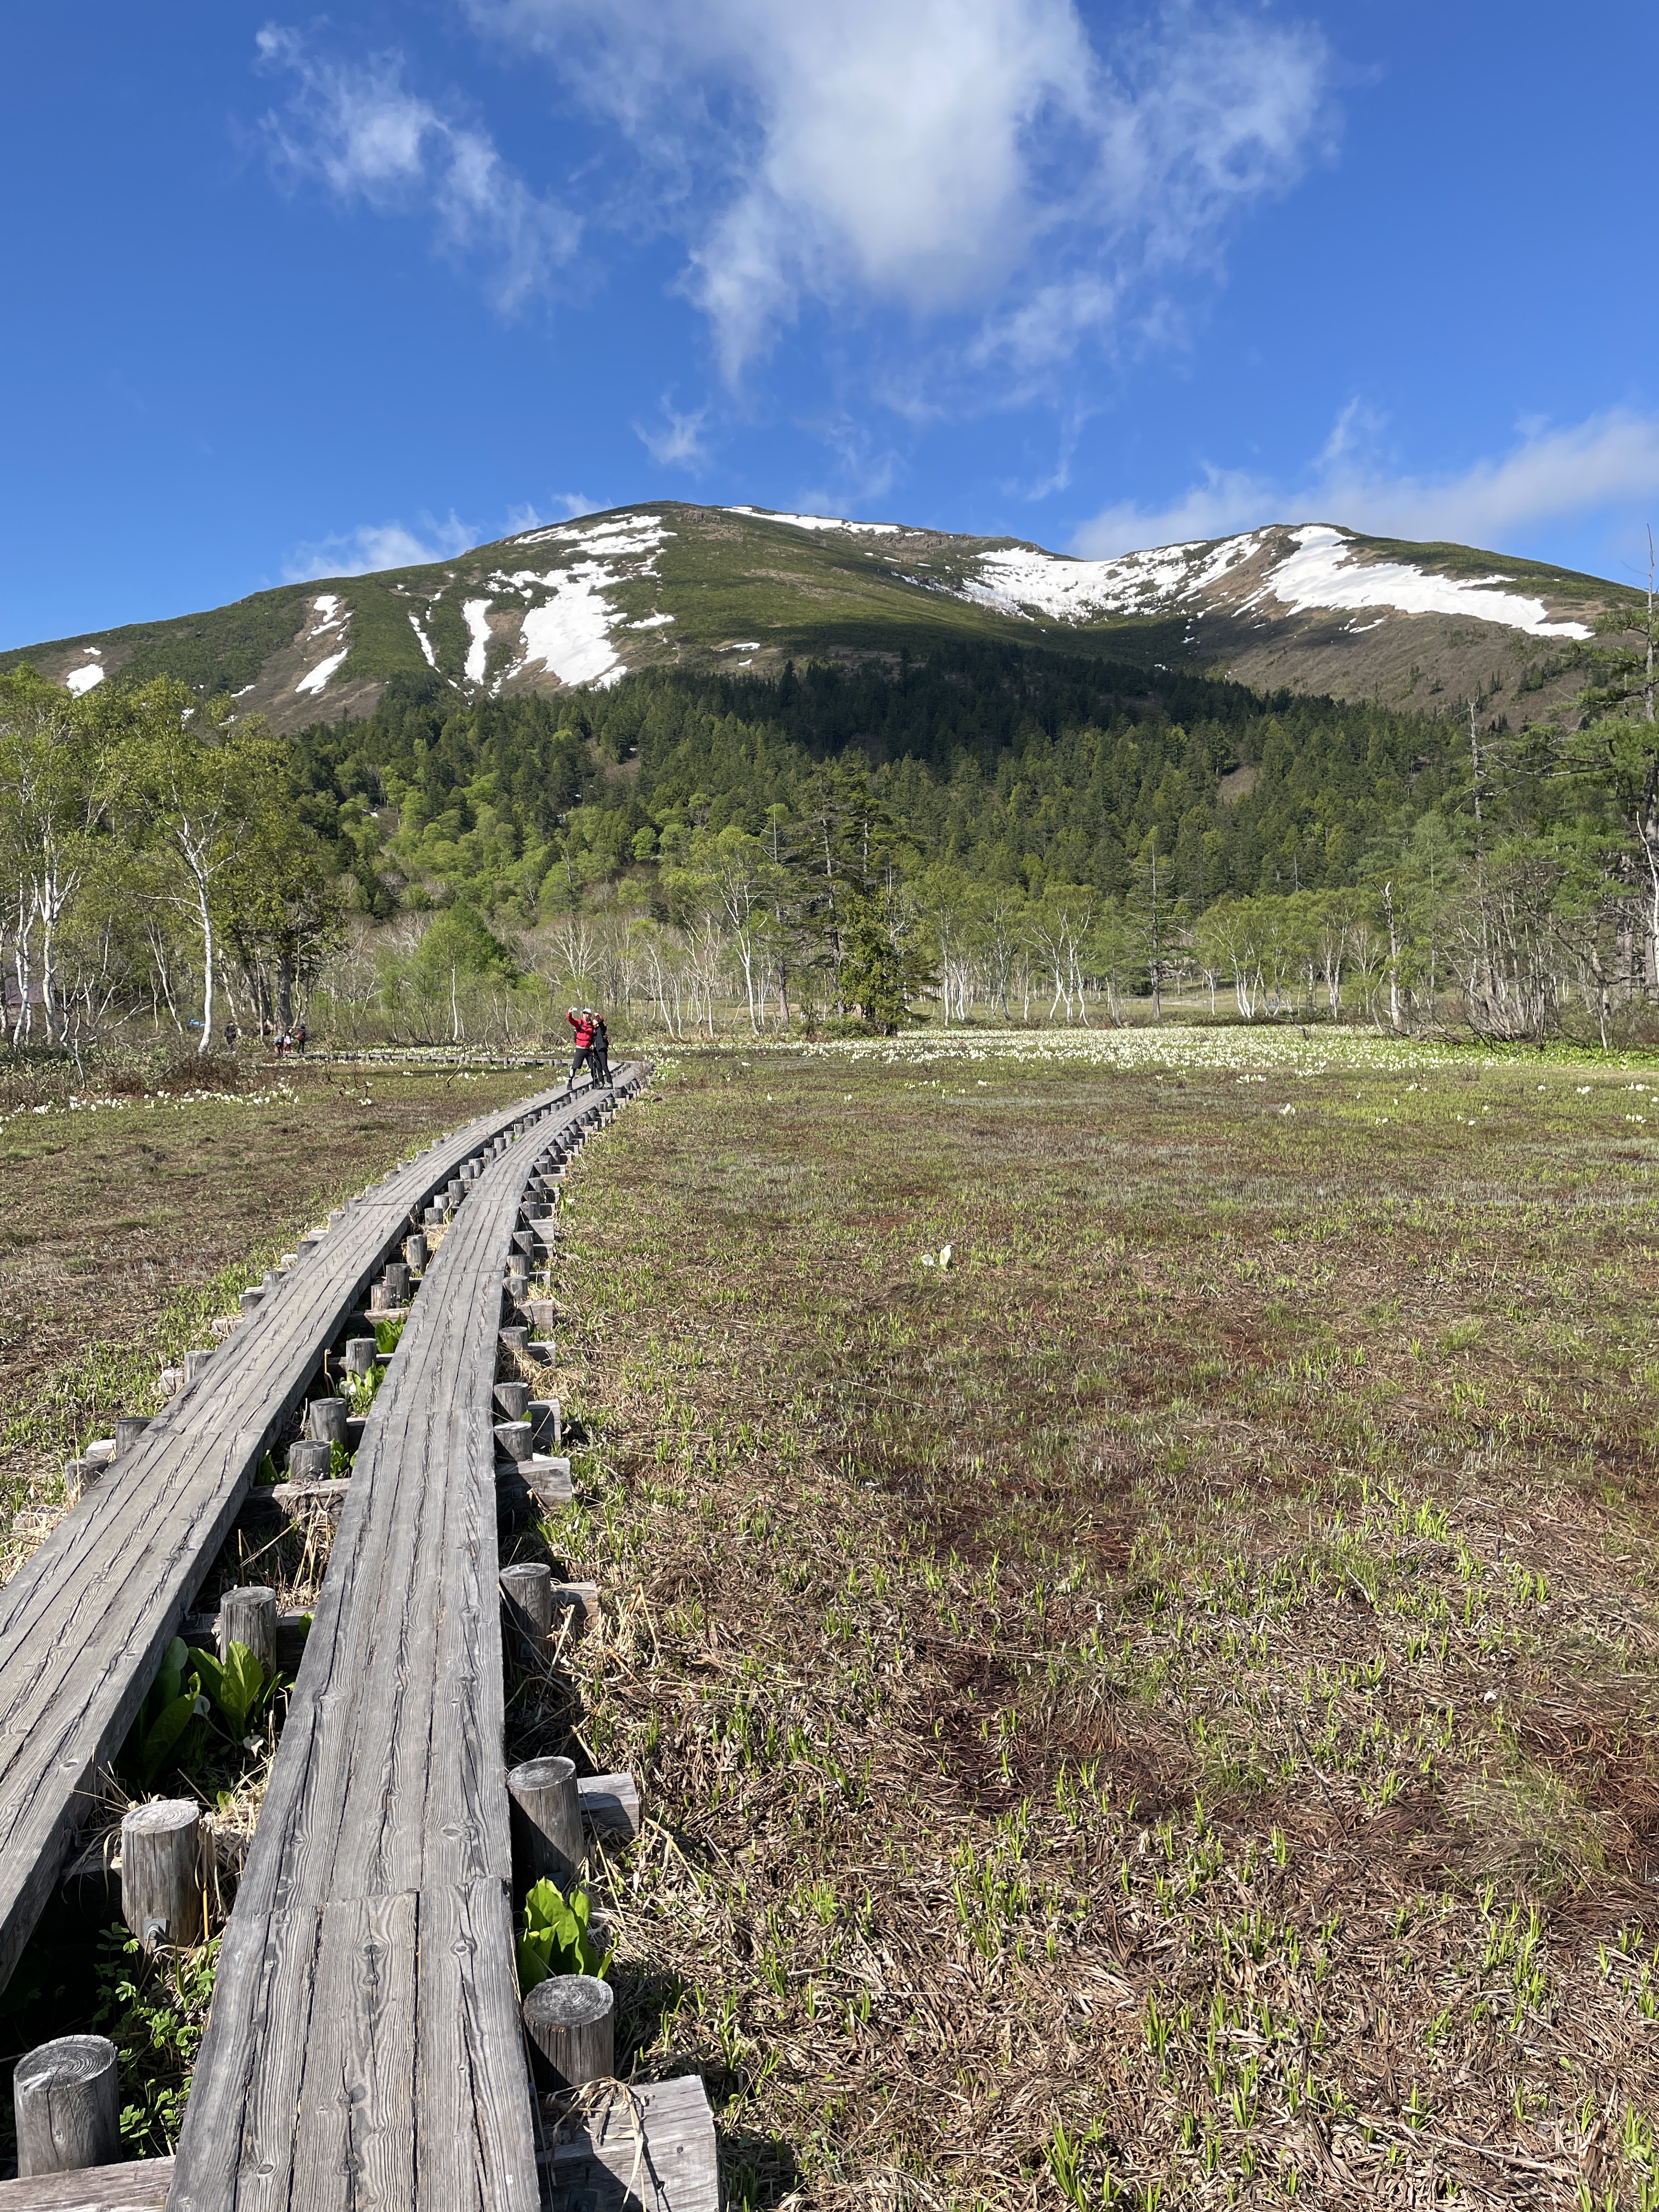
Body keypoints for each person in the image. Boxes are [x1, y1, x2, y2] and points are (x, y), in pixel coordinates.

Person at [563, 1006, 597, 1093]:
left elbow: (600, 1024)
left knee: (593, 1067)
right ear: (583, 1014)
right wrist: (569, 1014)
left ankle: (595, 1083)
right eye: (585, 1014)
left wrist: (598, 1017)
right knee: (575, 1067)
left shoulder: (592, 1025)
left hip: (589, 1049)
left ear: (590, 1015)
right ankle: (569, 1083)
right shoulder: (579, 1023)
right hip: (580, 1049)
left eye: (588, 1014)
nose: (586, 1015)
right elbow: (571, 1020)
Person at [592, 1012, 612, 1088]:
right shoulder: (593, 1029)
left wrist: (597, 1016)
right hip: (595, 1049)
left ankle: (609, 1082)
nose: (594, 1021)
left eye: (595, 1020)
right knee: (598, 1067)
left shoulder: (602, 1028)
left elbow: (601, 1022)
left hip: (602, 1048)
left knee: (604, 1066)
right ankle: (601, 1082)